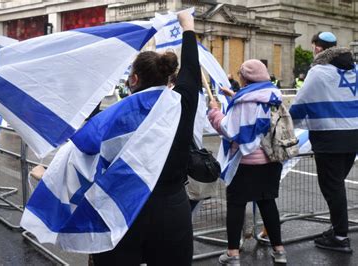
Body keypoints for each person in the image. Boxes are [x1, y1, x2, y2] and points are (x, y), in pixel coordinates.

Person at [92, 11, 199, 265]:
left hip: (122, 208)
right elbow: (192, 70)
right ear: (169, 78)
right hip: (171, 209)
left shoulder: (114, 116)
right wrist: (188, 26)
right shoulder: (181, 104)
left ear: (134, 79)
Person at [208, 59, 286, 264]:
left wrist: (214, 112)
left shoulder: (243, 102)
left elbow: (230, 129)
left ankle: (233, 253)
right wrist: (234, 96)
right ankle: (279, 251)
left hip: (245, 163)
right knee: (268, 203)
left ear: (245, 77)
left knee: (236, 206)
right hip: (271, 161)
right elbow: (256, 115)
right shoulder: (273, 96)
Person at [290, 31, 358, 253]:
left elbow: (301, 103)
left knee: (332, 187)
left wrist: (289, 123)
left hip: (329, 137)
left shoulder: (318, 71)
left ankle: (340, 236)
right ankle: (337, 229)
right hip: (354, 136)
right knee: (336, 184)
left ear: (317, 48)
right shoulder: (355, 69)